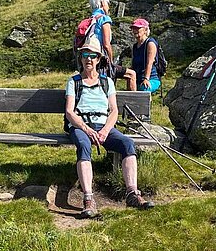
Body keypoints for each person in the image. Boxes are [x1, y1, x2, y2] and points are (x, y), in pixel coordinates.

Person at [65, 35, 155, 218]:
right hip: (81, 126)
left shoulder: (107, 82)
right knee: (83, 145)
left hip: (103, 125)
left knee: (127, 144)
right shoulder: (73, 82)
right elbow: (69, 112)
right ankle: (88, 199)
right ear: (81, 58)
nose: (88, 59)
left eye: (92, 55)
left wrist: (105, 130)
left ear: (99, 59)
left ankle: (132, 193)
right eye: (85, 55)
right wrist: (86, 129)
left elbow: (113, 111)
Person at [88, 0, 137, 91]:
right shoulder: (104, 19)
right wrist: (110, 61)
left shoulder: (89, 20)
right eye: (107, 4)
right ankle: (133, 103)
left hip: (88, 59)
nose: (109, 7)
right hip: (100, 60)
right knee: (131, 74)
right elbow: (106, 44)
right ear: (102, 3)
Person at [130, 18, 161, 93]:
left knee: (144, 89)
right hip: (137, 79)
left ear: (145, 30)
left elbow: (149, 63)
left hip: (151, 78)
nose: (135, 30)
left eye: (138, 28)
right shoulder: (135, 46)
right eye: (133, 28)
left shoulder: (150, 43)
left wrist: (146, 79)